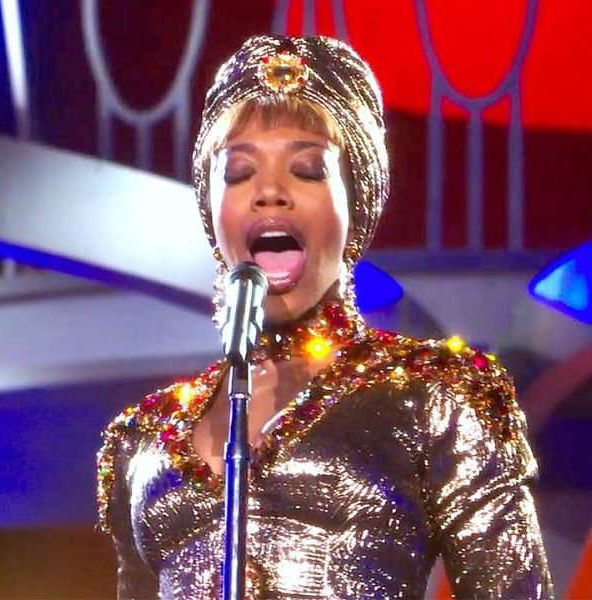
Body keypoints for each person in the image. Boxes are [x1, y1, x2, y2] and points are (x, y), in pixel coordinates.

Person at [96, 34, 553, 599]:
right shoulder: (144, 436)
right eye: (238, 173)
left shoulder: (437, 394)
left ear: (355, 203)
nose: (269, 191)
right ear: (211, 212)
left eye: (308, 169)